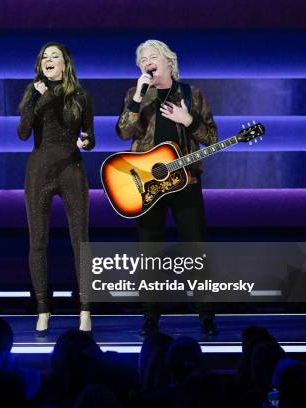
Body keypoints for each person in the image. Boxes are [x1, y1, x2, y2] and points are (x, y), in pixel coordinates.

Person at [116, 39, 218, 336]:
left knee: (197, 248)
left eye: (153, 56)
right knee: (148, 251)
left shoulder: (191, 93)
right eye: (142, 58)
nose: (148, 60)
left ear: (168, 61)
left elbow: (211, 138)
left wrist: (188, 120)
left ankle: (206, 315)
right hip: (146, 184)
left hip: (185, 180)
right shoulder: (136, 95)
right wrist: (137, 96)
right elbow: (124, 132)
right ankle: (150, 316)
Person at [18, 43, 95, 335]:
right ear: (41, 65)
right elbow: (23, 133)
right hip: (39, 171)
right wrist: (36, 98)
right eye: (45, 57)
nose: (49, 61)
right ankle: (42, 309)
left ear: (65, 64)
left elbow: (90, 136)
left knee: (80, 240)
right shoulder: (34, 93)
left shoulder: (81, 96)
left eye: (55, 57)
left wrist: (86, 141)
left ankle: (85, 309)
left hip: (71, 169)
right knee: (38, 240)